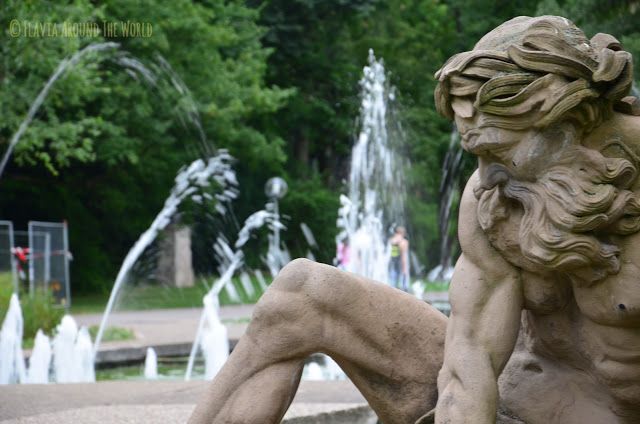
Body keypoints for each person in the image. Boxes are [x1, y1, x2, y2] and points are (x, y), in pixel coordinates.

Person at [189, 17, 640, 424]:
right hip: (504, 401)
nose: (484, 175)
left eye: (498, 152)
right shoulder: (498, 197)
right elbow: (471, 361)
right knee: (301, 293)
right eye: (476, 154)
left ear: (571, 118)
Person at [388, 226, 409, 291]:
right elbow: (403, 255)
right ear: (403, 233)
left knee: (391, 280)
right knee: (401, 281)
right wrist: (405, 268)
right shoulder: (403, 242)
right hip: (399, 261)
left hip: (391, 262)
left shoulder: (391, 240)